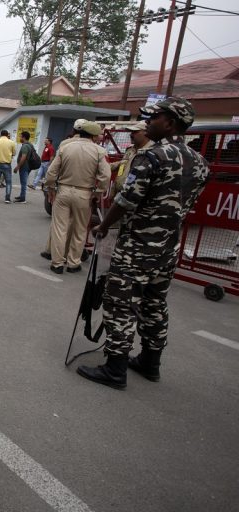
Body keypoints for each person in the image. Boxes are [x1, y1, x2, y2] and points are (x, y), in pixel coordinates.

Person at [77, 97, 209, 389]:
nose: (149, 121)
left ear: (171, 122)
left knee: (121, 304)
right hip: (168, 248)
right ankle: (150, 362)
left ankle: (115, 368)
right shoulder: (200, 162)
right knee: (154, 304)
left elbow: (127, 199)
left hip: (137, 246)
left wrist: (104, 225)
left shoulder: (153, 156)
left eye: (155, 117)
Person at [44, 120, 110, 274]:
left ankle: (57, 263)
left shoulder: (65, 147)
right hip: (84, 193)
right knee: (80, 229)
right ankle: (73, 263)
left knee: (59, 228)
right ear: (94, 136)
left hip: (63, 191)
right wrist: (98, 192)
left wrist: (51, 187)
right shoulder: (99, 151)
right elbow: (105, 176)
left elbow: (51, 172)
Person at [108, 121, 152, 197]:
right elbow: (122, 167)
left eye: (135, 132)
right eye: (131, 132)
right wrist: (114, 188)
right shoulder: (130, 150)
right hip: (119, 193)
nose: (131, 135)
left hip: (133, 198)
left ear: (146, 133)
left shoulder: (152, 152)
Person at [0, 129, 16, 203]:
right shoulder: (12, 143)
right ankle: (7, 199)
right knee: (8, 182)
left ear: (0, 135)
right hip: (7, 165)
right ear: (7, 134)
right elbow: (14, 153)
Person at [12, 131, 36, 203]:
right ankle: (22, 196)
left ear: (24, 137)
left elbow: (24, 157)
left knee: (23, 183)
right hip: (26, 166)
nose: (19, 138)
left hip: (24, 166)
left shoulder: (25, 146)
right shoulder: (29, 144)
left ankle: (23, 199)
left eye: (20, 136)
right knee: (23, 182)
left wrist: (18, 167)